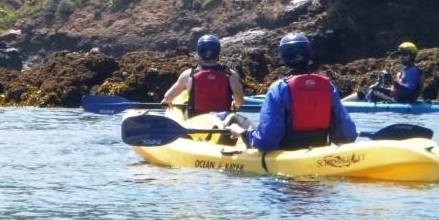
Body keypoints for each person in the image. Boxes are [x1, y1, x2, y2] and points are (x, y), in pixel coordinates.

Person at [226, 32, 356, 151]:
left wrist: (243, 133)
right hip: (319, 151)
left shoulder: (278, 88)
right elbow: (349, 134)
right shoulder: (328, 86)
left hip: (287, 157)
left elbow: (266, 141)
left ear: (283, 57)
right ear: (309, 54)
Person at [162, 33, 244, 115]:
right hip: (223, 121)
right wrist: (235, 105)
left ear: (199, 52)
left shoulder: (188, 75)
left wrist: (166, 102)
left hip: (195, 121)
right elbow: (239, 102)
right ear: (218, 51)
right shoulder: (231, 75)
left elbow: (167, 97)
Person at [350, 41, 424, 103]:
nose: (401, 56)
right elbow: (397, 89)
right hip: (397, 98)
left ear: (412, 56)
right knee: (371, 90)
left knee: (370, 92)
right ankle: (342, 103)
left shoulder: (413, 71)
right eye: (400, 54)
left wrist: (392, 81)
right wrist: (383, 86)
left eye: (405, 54)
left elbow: (408, 90)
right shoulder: (407, 70)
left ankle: (342, 105)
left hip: (400, 101)